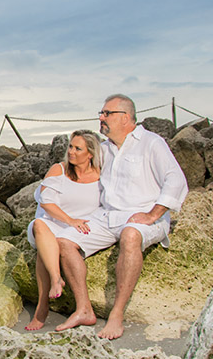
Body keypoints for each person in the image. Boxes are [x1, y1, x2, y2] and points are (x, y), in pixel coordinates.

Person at [54, 94, 188, 340]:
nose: (101, 118)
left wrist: (153, 214)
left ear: (125, 118)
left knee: (130, 235)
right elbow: (80, 176)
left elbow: (176, 179)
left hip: (142, 218)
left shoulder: (151, 143)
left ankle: (116, 315)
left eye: (106, 113)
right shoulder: (103, 149)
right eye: (101, 113)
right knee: (64, 241)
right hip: (106, 216)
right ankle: (84, 309)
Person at [25, 130, 102, 331]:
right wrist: (70, 220)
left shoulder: (101, 174)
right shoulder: (59, 169)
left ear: (90, 154)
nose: (71, 152)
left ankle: (42, 309)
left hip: (82, 227)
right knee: (41, 227)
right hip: (54, 221)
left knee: (46, 250)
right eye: (70, 147)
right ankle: (56, 279)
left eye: (78, 148)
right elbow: (47, 203)